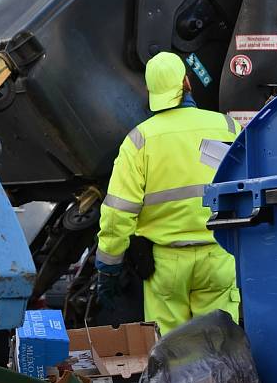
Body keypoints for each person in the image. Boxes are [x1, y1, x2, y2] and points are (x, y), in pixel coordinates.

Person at [95, 51, 240, 335]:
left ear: (150, 92)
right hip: (219, 256)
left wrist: (108, 265)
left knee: (172, 355)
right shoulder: (227, 127)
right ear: (187, 82)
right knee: (222, 349)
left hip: (166, 266)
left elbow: (117, 212)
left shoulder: (140, 140)